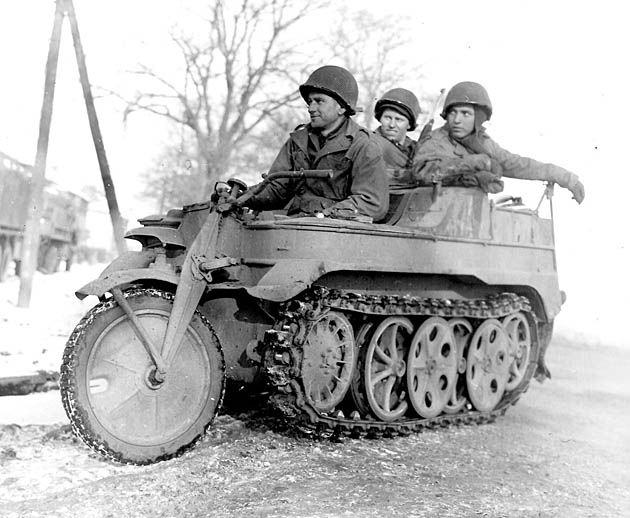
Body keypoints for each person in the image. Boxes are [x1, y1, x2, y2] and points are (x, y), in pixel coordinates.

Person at [239, 65, 389, 221]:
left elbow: (371, 202)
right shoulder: (298, 140)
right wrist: (240, 197)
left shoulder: (363, 145)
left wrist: (325, 215)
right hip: (296, 226)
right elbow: (277, 189)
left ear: (341, 107)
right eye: (310, 102)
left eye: (319, 101)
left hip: (334, 232)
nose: (311, 108)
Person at [414, 81, 585, 202]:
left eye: (465, 114)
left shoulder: (482, 143)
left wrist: (565, 177)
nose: (457, 120)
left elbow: (516, 164)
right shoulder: (436, 140)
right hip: (432, 219)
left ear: (478, 119)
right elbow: (421, 172)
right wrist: (472, 163)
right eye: (453, 113)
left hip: (469, 221)